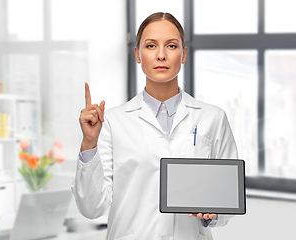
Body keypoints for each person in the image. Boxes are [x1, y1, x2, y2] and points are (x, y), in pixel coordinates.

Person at [71, 12, 238, 240]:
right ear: (138, 55)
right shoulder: (111, 122)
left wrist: (213, 212)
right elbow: (92, 208)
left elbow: (227, 199)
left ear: (184, 54)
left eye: (171, 45)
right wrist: (89, 143)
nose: (161, 55)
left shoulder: (213, 118)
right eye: (150, 46)